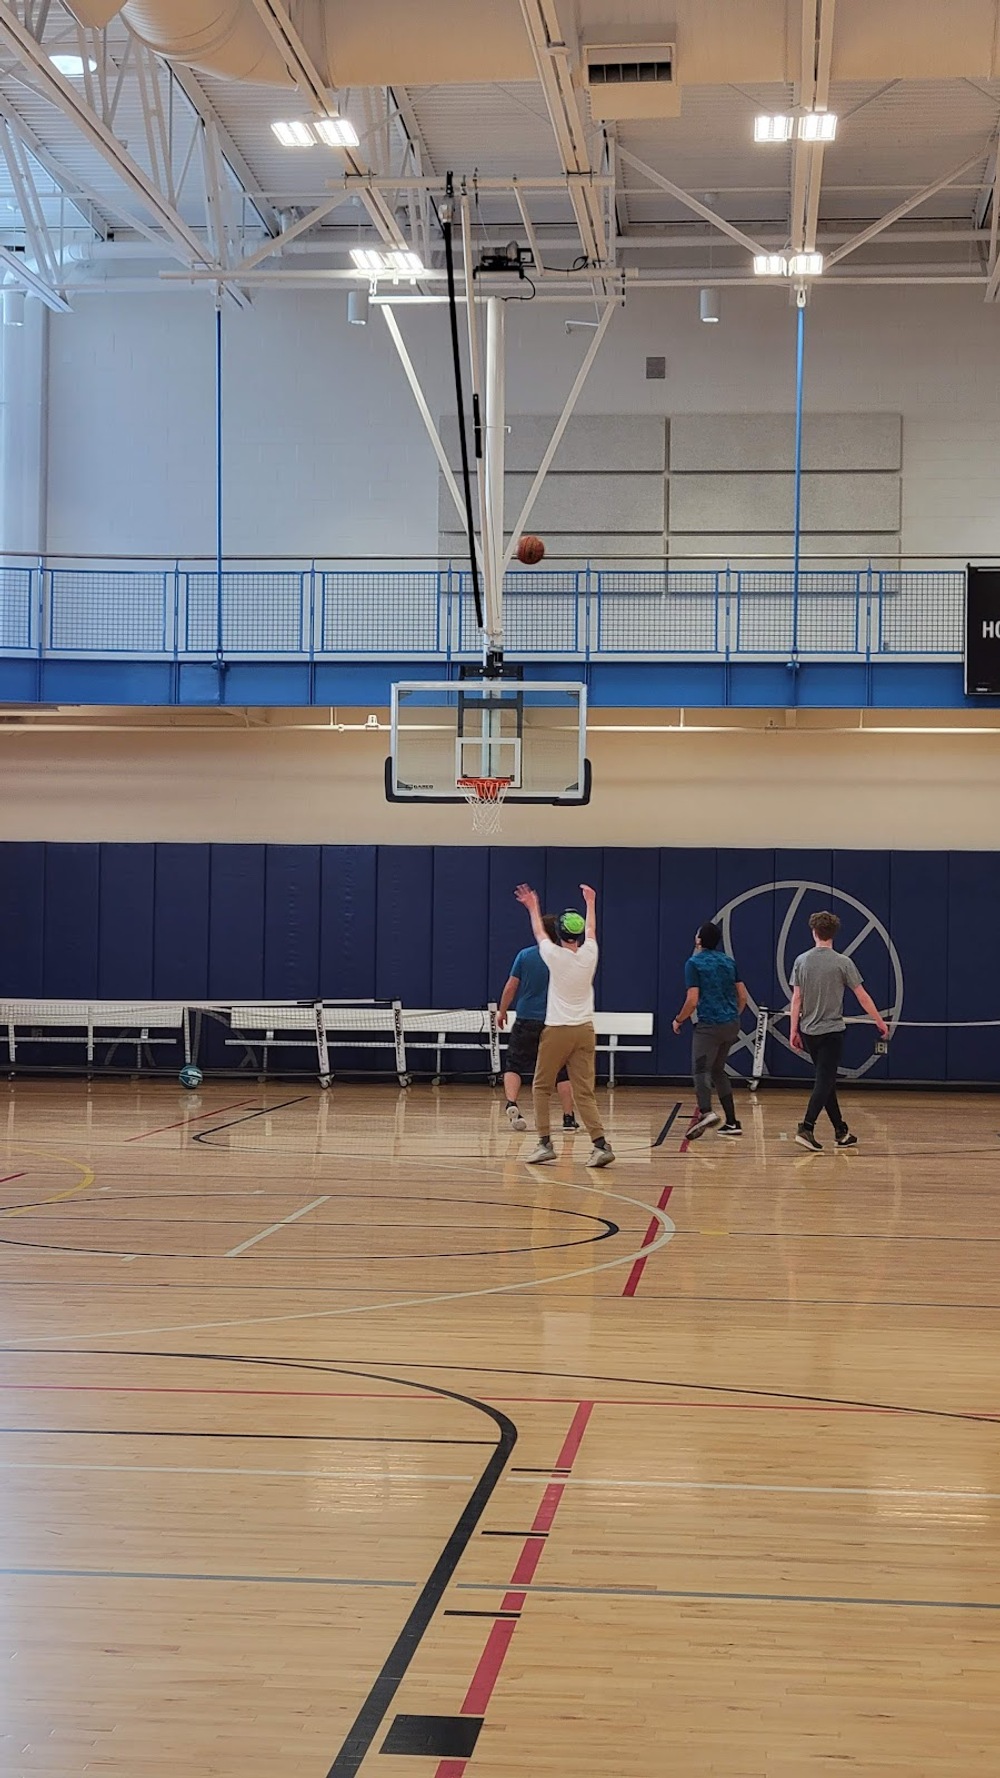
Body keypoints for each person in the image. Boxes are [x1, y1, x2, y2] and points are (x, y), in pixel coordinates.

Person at [513, 882, 614, 1169]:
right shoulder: (590, 953)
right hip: (585, 1030)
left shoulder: (554, 956)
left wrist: (532, 906)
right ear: (579, 934)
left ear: (560, 934)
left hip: (558, 1030)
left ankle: (544, 1143)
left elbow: (538, 932)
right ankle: (600, 1144)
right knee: (584, 1090)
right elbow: (592, 930)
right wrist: (591, 903)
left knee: (541, 1086)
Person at [789, 909, 889, 1151]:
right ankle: (807, 1127)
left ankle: (841, 1131)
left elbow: (797, 998)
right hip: (832, 1031)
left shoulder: (801, 960)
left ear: (814, 932)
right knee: (825, 1080)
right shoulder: (844, 962)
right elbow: (862, 996)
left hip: (809, 1031)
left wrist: (793, 1029)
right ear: (834, 934)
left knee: (827, 1080)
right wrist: (879, 1020)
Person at [497, 915, 578, 1134]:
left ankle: (512, 1104)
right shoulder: (567, 958)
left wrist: (502, 1011)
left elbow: (511, 987)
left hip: (526, 1019)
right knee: (562, 1071)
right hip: (556, 1021)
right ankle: (568, 1118)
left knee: (514, 1064)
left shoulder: (525, 955)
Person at [673, 922, 748, 1139]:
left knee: (700, 1070)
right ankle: (732, 1122)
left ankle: (706, 1112)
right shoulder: (728, 961)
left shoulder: (694, 963)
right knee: (718, 1070)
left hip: (709, 1026)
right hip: (732, 1024)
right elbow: (742, 996)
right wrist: (734, 1014)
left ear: (699, 940)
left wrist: (679, 1020)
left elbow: (692, 1000)